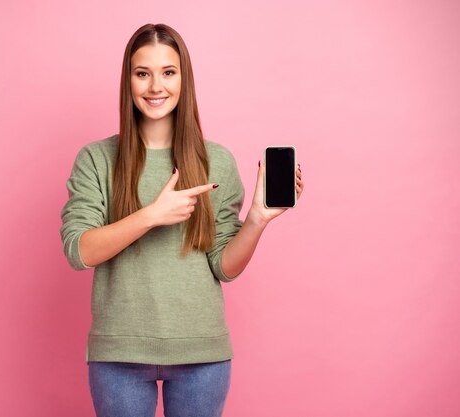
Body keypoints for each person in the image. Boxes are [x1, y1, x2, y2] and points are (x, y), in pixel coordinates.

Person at [60, 23, 304, 417]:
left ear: (183, 78)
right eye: (143, 73)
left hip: (201, 354)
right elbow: (79, 251)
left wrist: (257, 219)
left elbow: (224, 267)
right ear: (128, 81)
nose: (156, 86)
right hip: (119, 353)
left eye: (168, 72)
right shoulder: (96, 158)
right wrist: (150, 216)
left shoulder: (216, 160)